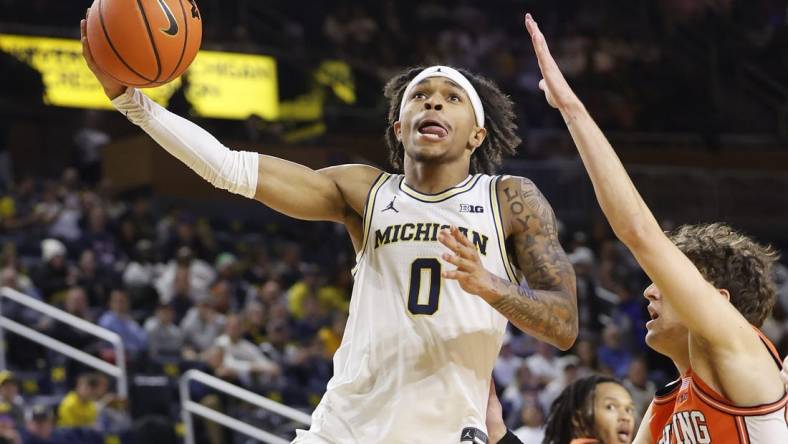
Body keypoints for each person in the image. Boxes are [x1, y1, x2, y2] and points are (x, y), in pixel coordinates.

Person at [80, 12, 579, 442]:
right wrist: (132, 102)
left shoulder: (509, 199)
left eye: (451, 97)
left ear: (477, 133)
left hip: (448, 433)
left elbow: (564, 325)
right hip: (344, 430)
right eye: (420, 95)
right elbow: (230, 169)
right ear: (398, 127)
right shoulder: (362, 192)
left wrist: (489, 284)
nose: (432, 101)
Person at [522, 13, 787, 443]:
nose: (649, 289)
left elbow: (639, 232)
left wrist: (572, 110)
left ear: (716, 302)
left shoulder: (745, 355)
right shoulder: (667, 405)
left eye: (664, 280)